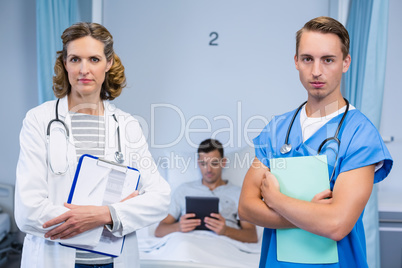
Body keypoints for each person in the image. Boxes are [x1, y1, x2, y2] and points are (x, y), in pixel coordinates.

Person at [238, 16, 393, 267]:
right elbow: (246, 207)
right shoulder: (277, 129)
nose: (316, 71)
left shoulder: (360, 134)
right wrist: (311, 213)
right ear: (296, 62)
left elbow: (336, 224)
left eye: (328, 60)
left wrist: (276, 201)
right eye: (308, 59)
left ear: (345, 63)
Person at [14, 22, 171, 268]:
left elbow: (160, 199)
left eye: (94, 59)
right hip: (55, 258)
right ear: (65, 63)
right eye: (75, 59)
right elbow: (28, 212)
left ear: (108, 63)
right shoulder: (39, 120)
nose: (84, 69)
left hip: (114, 262)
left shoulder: (127, 125)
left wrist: (104, 214)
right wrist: (113, 213)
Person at [155, 138, 258, 243]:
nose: (208, 169)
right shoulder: (184, 190)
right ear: (198, 163)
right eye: (204, 164)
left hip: (224, 244)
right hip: (189, 243)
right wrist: (178, 227)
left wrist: (226, 230)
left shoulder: (238, 193)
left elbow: (252, 236)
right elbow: (159, 230)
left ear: (223, 162)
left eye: (214, 163)